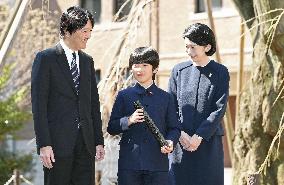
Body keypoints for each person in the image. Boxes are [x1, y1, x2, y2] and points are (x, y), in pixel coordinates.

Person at [31, 6, 104, 185]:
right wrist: (44, 144)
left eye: (90, 31)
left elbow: (93, 104)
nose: (89, 35)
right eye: (84, 31)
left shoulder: (88, 62)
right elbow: (39, 106)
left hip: (86, 146)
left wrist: (98, 141)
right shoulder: (45, 58)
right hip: (56, 146)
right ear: (67, 30)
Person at [107, 47, 181, 185]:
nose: (139, 70)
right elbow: (111, 127)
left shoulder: (166, 98)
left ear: (155, 69)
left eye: (144, 65)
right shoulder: (124, 95)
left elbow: (174, 128)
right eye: (135, 66)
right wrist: (129, 120)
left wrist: (170, 141)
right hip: (129, 164)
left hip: (157, 164)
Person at [168, 23, 230, 185]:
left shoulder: (220, 72)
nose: (189, 52)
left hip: (208, 144)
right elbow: (170, 107)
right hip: (181, 144)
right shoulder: (178, 71)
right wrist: (181, 134)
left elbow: (219, 108)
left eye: (193, 47)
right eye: (187, 47)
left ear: (207, 46)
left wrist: (199, 136)